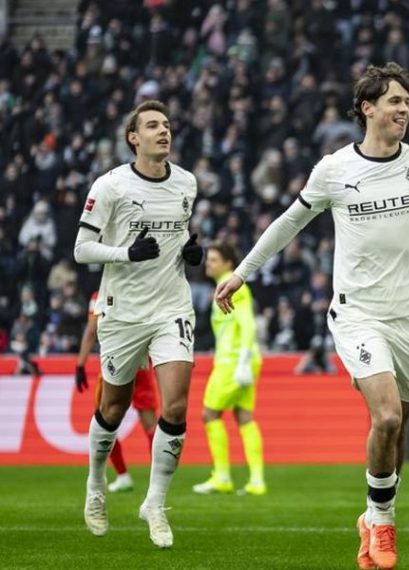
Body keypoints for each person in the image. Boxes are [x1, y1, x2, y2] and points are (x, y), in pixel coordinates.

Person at [214, 62, 409, 570]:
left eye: (407, 103)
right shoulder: (335, 169)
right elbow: (287, 223)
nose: (404, 110)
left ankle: (373, 515)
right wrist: (242, 272)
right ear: (367, 108)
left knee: (398, 428)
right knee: (385, 415)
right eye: (394, 102)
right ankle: (383, 521)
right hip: (357, 314)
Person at [74, 99, 202, 549]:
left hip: (172, 307)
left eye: (166, 125)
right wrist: (125, 253)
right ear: (134, 138)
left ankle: (156, 503)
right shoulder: (110, 186)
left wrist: (190, 252)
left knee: (175, 406)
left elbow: (180, 234)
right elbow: (82, 249)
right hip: (123, 311)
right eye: (152, 126)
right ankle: (95, 484)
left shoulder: (186, 182)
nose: (163, 131)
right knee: (113, 407)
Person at [193, 244, 266, 496]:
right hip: (243, 358)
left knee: (209, 414)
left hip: (233, 360)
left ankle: (222, 476)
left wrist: (243, 360)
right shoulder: (227, 286)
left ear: (228, 263)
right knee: (244, 416)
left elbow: (248, 324)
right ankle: (256, 481)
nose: (208, 263)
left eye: (214, 259)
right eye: (208, 259)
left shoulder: (234, 287)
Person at [76, 290, 160, 493]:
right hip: (140, 361)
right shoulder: (138, 292)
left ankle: (123, 476)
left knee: (104, 420)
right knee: (150, 425)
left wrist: (80, 364)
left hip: (115, 363)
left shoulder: (100, 295)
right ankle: (158, 479)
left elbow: (91, 330)